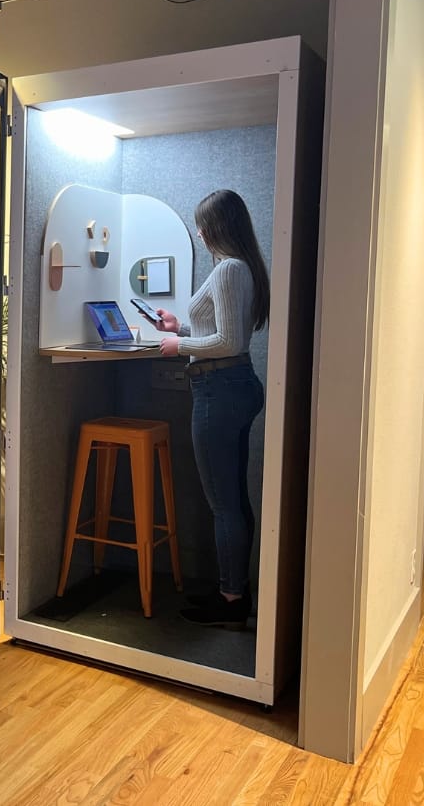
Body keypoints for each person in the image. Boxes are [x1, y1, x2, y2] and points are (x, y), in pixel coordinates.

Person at [153, 189, 269, 630]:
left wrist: (176, 345)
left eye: (201, 224)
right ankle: (234, 588)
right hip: (234, 385)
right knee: (234, 500)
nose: (198, 233)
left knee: (224, 504)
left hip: (218, 388)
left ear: (215, 228)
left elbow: (228, 342)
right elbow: (223, 333)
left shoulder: (227, 270)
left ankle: (231, 597)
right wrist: (178, 327)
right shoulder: (243, 269)